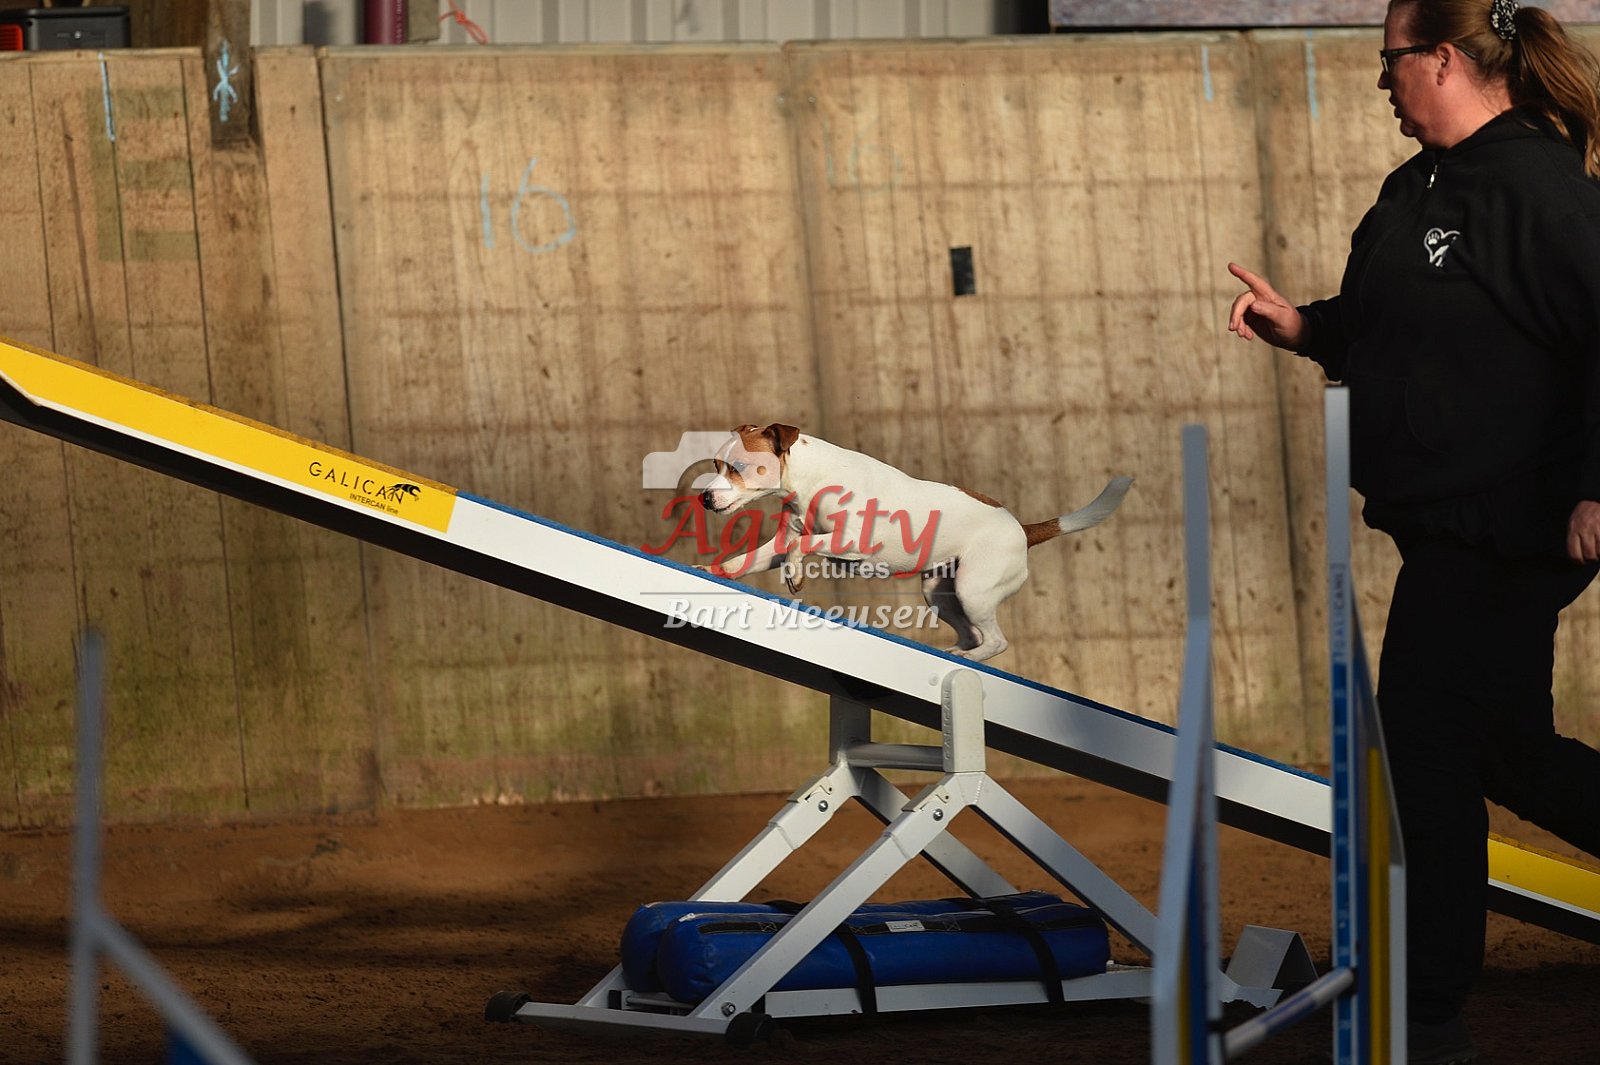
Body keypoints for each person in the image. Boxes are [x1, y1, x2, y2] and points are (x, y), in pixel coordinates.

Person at [1226, 2, 1600, 1062]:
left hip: (1511, 526)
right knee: (1502, 748)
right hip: (1442, 525)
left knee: (1422, 751)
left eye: (1389, 58)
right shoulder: (1413, 188)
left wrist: (1596, 485)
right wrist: (1306, 327)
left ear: (1442, 58)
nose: (1379, 78)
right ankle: (1420, 1003)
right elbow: (1389, 325)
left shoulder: (1536, 187)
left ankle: (1422, 1010)